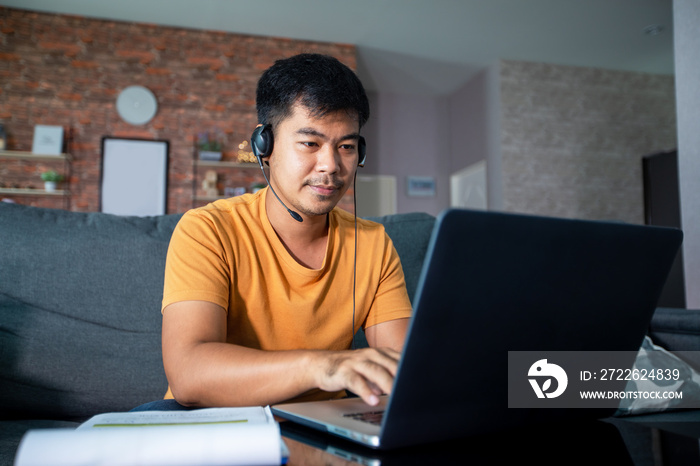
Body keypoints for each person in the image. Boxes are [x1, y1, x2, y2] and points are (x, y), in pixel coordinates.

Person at [160, 53, 412, 409]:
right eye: (310, 143)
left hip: (320, 424)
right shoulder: (207, 229)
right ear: (265, 146)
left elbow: (403, 370)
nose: (331, 165)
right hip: (215, 421)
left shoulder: (373, 243)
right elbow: (189, 374)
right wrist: (322, 366)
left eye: (347, 147)